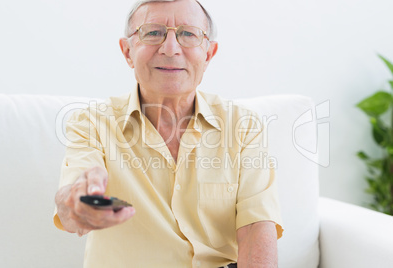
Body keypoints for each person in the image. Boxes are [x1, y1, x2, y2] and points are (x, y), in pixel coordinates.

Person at [54, 0, 283, 267]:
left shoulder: (244, 127)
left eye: (188, 34)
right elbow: (70, 200)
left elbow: (256, 229)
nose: (171, 48)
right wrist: (80, 204)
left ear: (209, 54)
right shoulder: (92, 123)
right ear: (127, 51)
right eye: (152, 32)